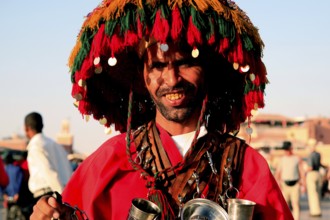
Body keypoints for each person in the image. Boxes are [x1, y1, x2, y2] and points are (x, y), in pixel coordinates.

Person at [30, 0, 293, 219]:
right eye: (157, 66)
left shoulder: (245, 165)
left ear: (207, 73)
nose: (172, 79)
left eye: (185, 63)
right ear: (142, 77)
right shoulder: (110, 160)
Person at [24, 112, 73, 205]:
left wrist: (61, 197)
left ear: (26, 128)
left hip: (48, 197)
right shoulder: (55, 145)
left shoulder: (35, 147)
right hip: (61, 193)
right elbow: (68, 170)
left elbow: (49, 172)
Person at [275, 141, 306, 220]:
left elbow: (301, 172)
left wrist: (304, 184)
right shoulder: (282, 159)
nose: (286, 151)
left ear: (291, 149)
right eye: (285, 150)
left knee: (295, 204)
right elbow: (278, 172)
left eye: (287, 149)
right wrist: (276, 185)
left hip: (295, 184)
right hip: (284, 185)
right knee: (285, 205)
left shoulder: (297, 158)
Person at [2, 151, 25, 220]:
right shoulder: (17, 169)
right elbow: (20, 182)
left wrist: (4, 194)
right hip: (17, 196)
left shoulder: (4, 170)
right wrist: (17, 193)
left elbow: (2, 184)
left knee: (9, 215)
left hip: (7, 196)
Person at [305, 140, 323, 217]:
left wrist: (305, 172)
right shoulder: (318, 154)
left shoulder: (310, 155)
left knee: (312, 194)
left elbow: (310, 167)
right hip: (318, 174)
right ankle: (318, 210)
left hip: (311, 174)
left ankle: (314, 211)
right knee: (318, 193)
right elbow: (320, 164)